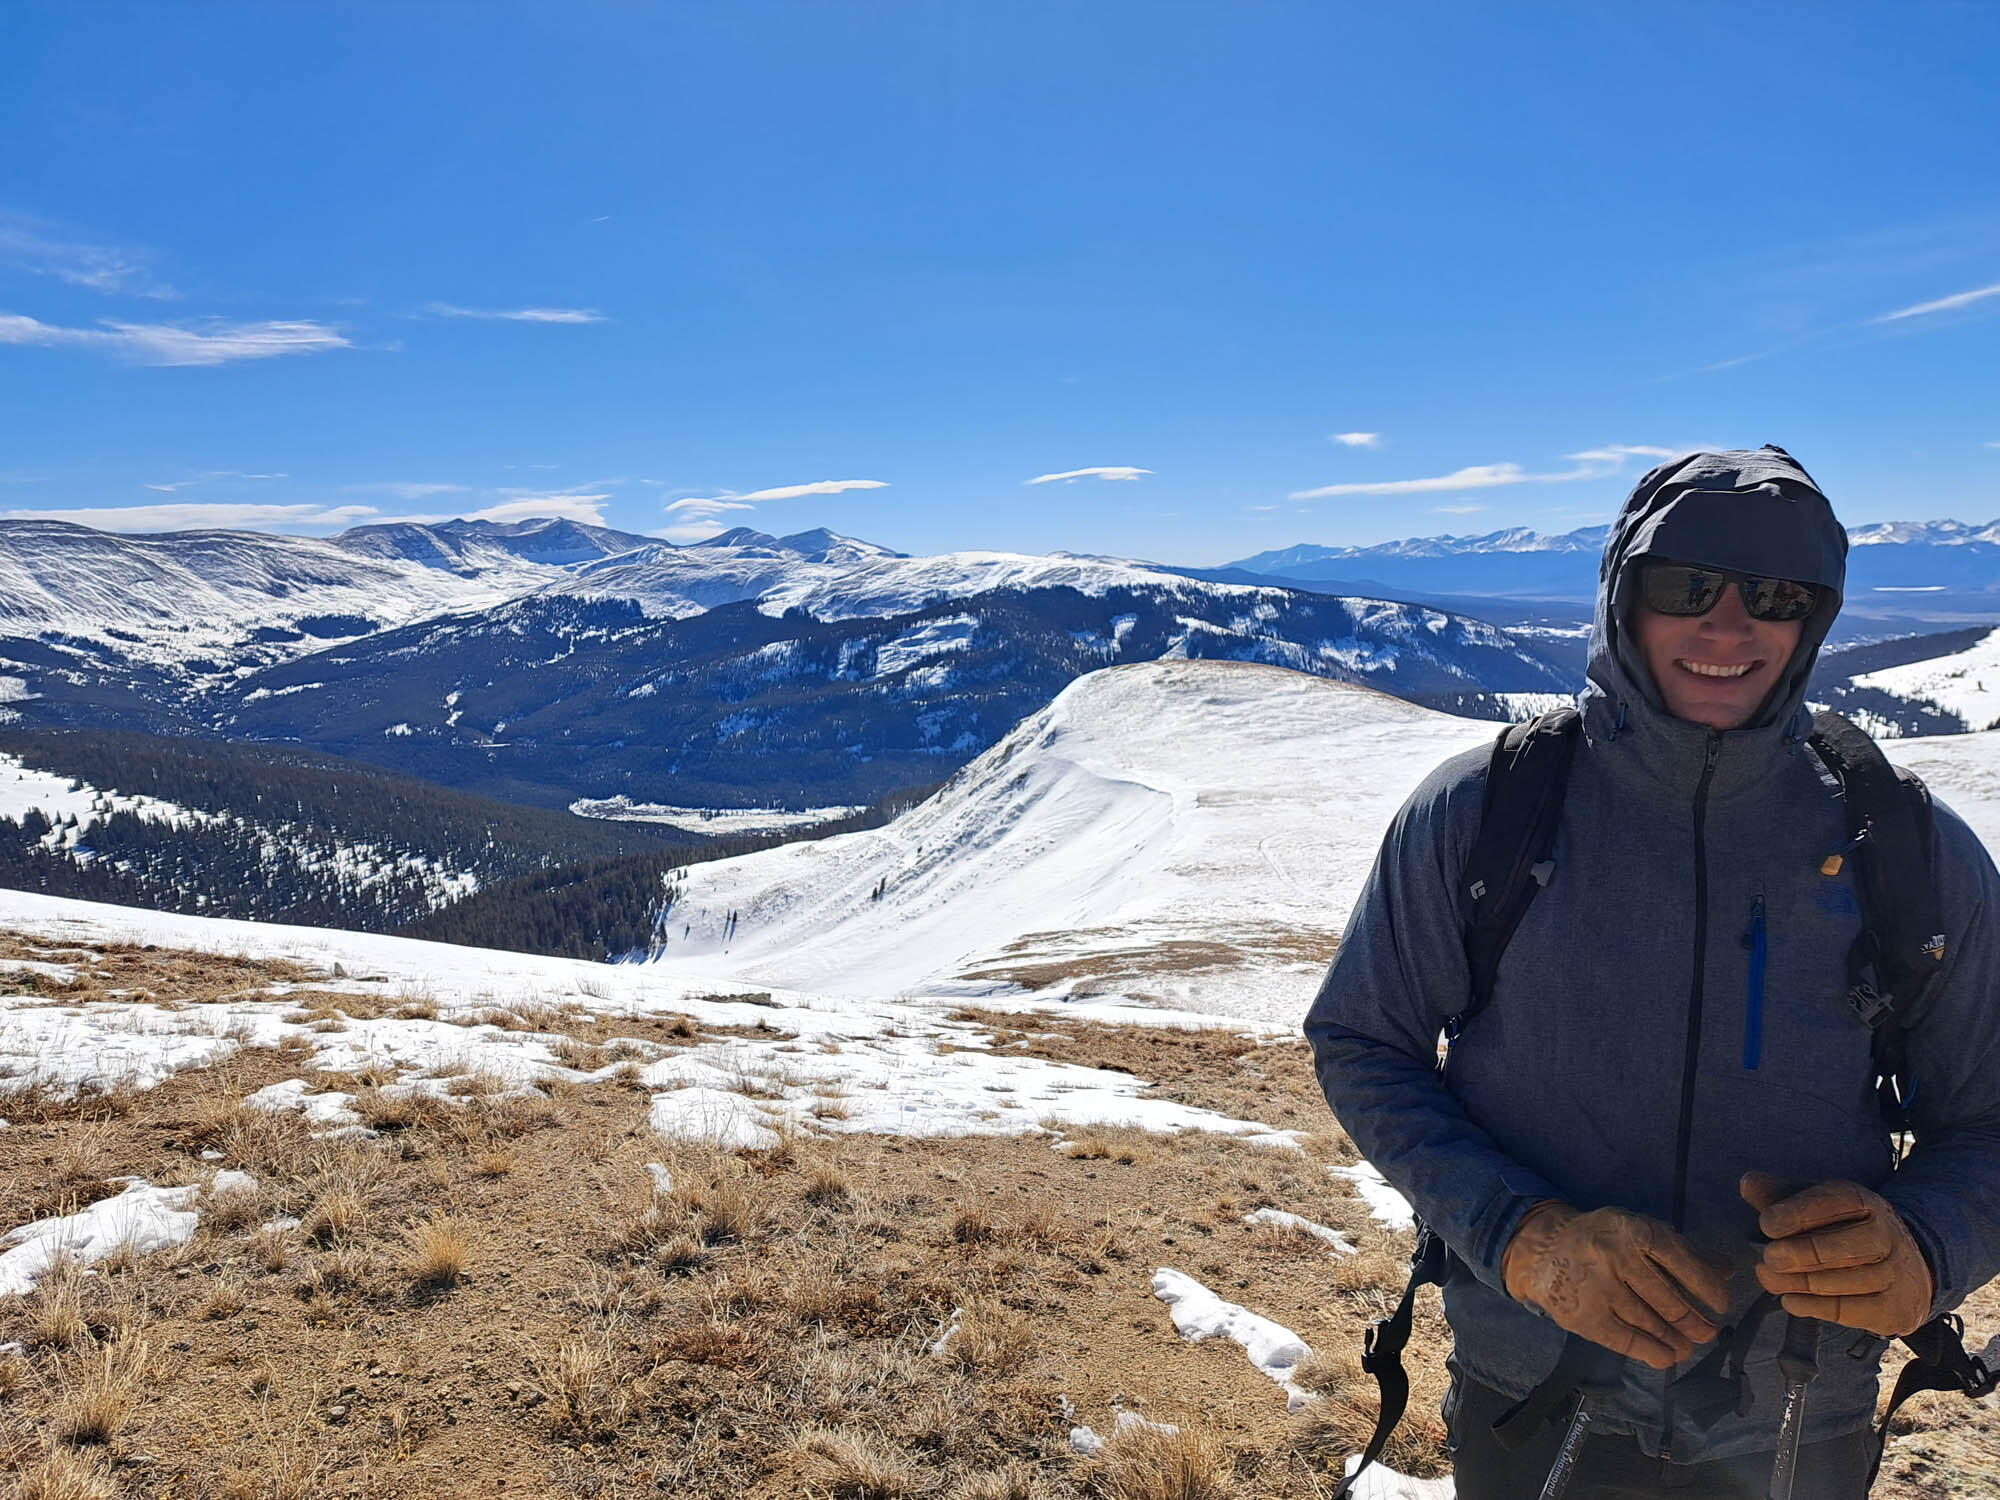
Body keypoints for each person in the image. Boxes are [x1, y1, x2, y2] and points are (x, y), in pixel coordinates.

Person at [1303, 447, 2000, 1498]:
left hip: (1796, 1415)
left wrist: (1927, 1249)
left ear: (1813, 618)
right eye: (1686, 586)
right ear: (1622, 598)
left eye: (1776, 595)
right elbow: (1361, 1040)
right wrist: (1523, 1239)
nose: (1728, 627)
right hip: (1530, 1387)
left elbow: (1988, 1118)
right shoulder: (1483, 811)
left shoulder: (1905, 845)